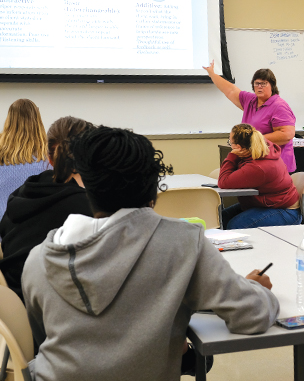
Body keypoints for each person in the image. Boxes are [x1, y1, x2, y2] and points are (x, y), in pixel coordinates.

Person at [22, 126, 279, 381]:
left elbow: (43, 338)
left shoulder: (38, 259)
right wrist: (257, 289)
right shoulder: (183, 243)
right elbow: (253, 315)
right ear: (154, 186)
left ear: (85, 185)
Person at [0, 117, 94, 301]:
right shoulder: (88, 210)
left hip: (14, 309)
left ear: (49, 158)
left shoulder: (19, 196)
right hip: (54, 310)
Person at [203, 61, 297, 172]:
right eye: (256, 83)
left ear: (272, 85)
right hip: (257, 163)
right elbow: (230, 90)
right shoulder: (250, 101)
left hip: (277, 166)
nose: (259, 87)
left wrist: (253, 140)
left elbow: (287, 134)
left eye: (263, 83)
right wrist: (212, 75)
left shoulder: (279, 106)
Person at [218, 123, 302, 229]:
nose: (230, 146)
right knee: (221, 219)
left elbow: (224, 182)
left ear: (238, 147)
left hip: (285, 211)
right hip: (266, 204)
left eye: (230, 143)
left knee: (234, 226)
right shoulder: (261, 151)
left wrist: (232, 155)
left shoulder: (258, 167)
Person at [0, 98, 50, 221]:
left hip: (3, 235)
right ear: (37, 121)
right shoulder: (50, 159)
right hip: (39, 234)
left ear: (9, 121)